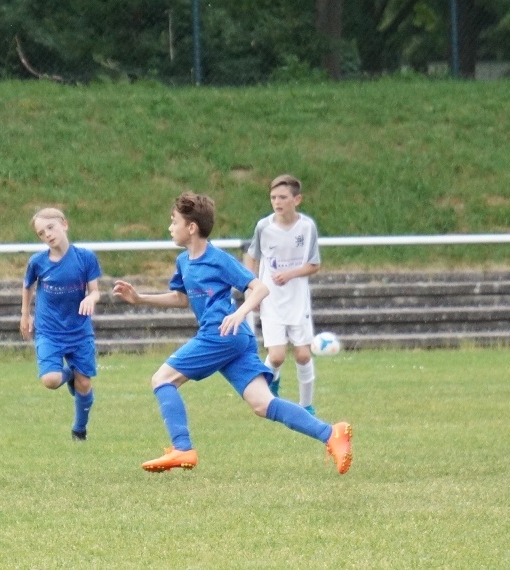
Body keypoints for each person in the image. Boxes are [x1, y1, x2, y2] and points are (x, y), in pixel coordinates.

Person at [112, 192, 352, 474]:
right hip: (234, 339)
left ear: (192, 227)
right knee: (263, 404)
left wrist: (240, 313)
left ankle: (182, 447)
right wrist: (140, 298)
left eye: (174, 222)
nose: (170, 227)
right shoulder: (184, 261)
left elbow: (260, 288)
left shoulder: (217, 259)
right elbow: (181, 298)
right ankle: (331, 434)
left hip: (220, 334)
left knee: (162, 379)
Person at [21, 207, 102, 441]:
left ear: (64, 225)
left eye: (50, 227)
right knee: (50, 380)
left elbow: (95, 291)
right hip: (49, 331)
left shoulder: (85, 258)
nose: (47, 234)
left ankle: (79, 430)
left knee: (84, 383)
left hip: (79, 331)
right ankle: (70, 374)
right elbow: (27, 286)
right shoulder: (38, 262)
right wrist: (25, 315)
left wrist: (90, 298)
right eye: (41, 233)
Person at [244, 174, 321, 414]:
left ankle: (306, 406)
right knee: (276, 356)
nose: (277, 202)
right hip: (271, 299)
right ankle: (271, 387)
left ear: (297, 200)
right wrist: (253, 289)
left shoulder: (307, 227)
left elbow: (314, 265)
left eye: (283, 197)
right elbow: (251, 257)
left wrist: (290, 274)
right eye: (273, 197)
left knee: (303, 355)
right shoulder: (264, 227)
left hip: (298, 301)